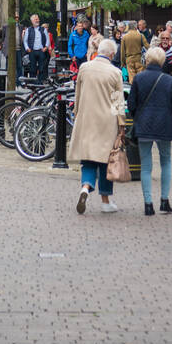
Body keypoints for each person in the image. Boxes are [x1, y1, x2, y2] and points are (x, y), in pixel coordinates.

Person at [69, 38, 127, 214]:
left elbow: (77, 94)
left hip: (86, 118)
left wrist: (77, 113)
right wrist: (122, 124)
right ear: (112, 54)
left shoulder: (85, 68)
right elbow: (118, 101)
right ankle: (105, 201)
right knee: (104, 162)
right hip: (106, 122)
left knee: (88, 158)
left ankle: (85, 188)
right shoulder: (115, 72)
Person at [127, 45, 172, 215]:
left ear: (147, 59)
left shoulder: (139, 78)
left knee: (146, 165)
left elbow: (131, 105)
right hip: (164, 125)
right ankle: (164, 201)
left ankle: (148, 203)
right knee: (166, 162)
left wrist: (138, 117)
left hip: (144, 125)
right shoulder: (168, 80)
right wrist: (166, 112)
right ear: (163, 61)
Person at [22, 14, 50, 83]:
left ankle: (40, 82)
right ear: (32, 21)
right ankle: (32, 82)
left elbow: (47, 39)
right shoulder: (29, 30)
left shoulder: (43, 29)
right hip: (32, 51)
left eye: (38, 19)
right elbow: (25, 40)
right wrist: (27, 48)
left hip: (41, 51)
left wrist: (46, 47)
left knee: (41, 68)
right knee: (32, 68)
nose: (37, 20)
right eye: (35, 19)